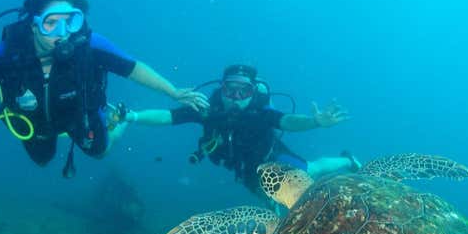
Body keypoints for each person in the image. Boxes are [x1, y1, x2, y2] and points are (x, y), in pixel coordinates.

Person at [0, 0, 207, 177]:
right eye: (50, 23)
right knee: (42, 161)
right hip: (34, 123)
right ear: (33, 26)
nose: (62, 33)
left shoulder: (90, 45)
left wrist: (173, 91)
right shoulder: (9, 54)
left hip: (80, 115)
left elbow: (133, 68)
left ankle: (120, 122)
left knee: (100, 152)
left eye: (70, 20)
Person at [124, 64, 358, 195]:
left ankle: (348, 161)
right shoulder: (208, 109)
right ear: (221, 90)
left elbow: (288, 121)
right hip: (243, 167)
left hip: (271, 157)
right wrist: (132, 116)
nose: (236, 97)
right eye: (230, 90)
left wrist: (315, 121)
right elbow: (169, 116)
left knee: (311, 170)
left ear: (253, 93)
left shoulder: (260, 113)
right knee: (266, 197)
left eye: (243, 91)